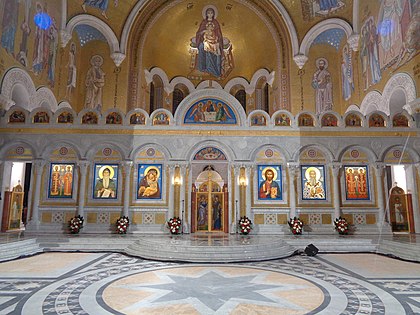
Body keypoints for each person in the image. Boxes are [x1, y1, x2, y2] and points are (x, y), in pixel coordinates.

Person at [195, 6, 223, 77]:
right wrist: (203, 31)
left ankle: (214, 69)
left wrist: (216, 38)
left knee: (217, 49)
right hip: (205, 40)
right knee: (201, 46)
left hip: (214, 41)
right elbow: (198, 33)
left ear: (213, 14)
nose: (210, 14)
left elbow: (219, 34)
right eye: (208, 13)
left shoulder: (215, 22)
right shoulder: (204, 22)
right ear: (206, 14)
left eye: (211, 13)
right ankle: (203, 67)